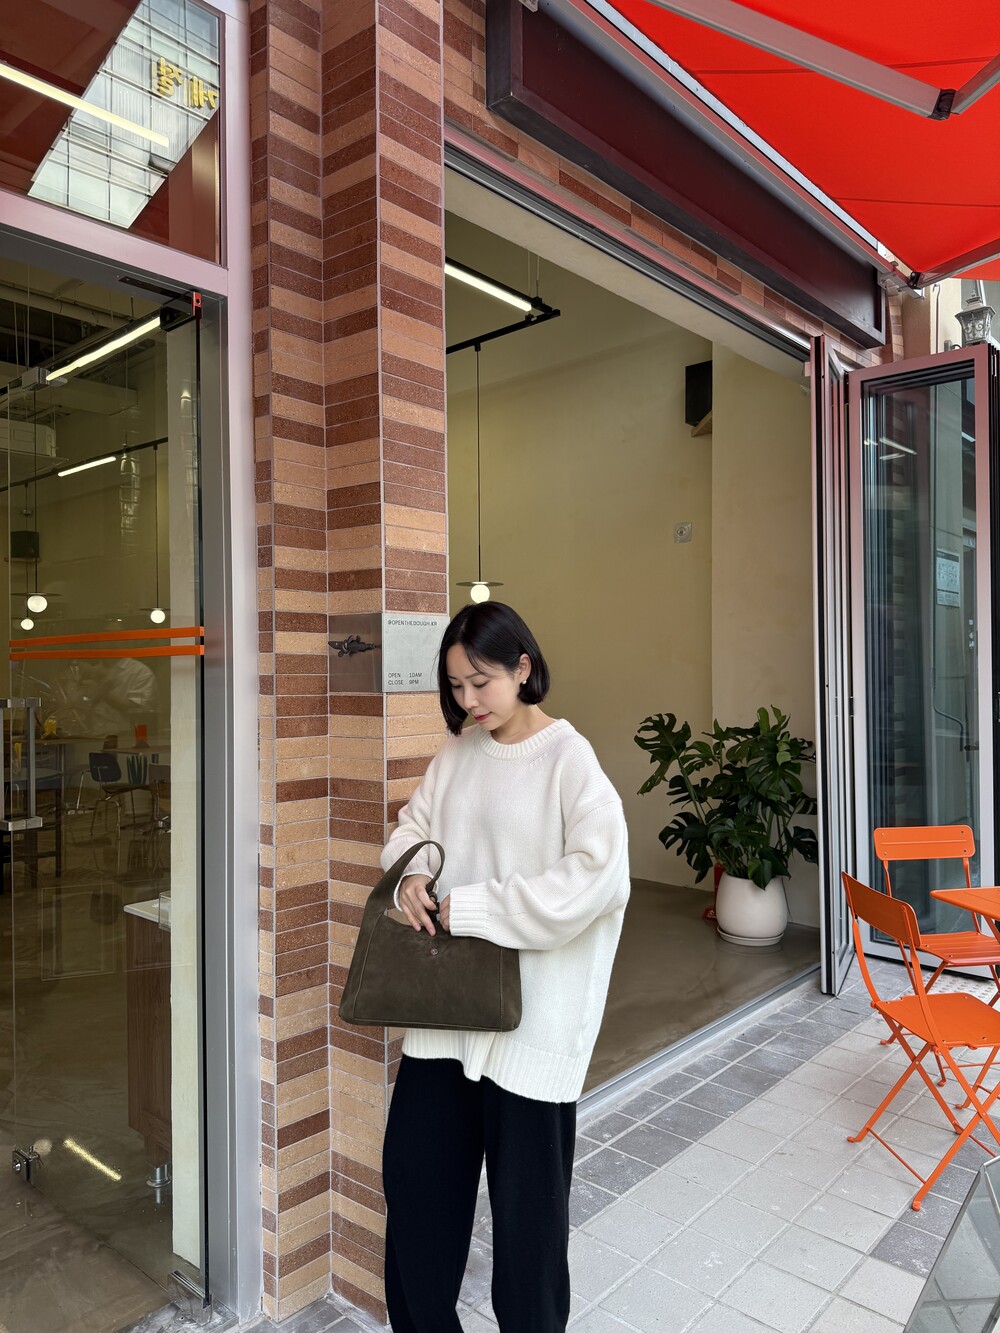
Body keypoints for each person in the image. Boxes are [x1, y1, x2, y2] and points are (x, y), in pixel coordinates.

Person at [378, 601, 630, 1332]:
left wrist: (474, 908)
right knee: (416, 1203)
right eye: (456, 686)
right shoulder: (458, 751)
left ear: (523, 667)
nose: (468, 700)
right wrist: (410, 874)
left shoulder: (568, 759)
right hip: (444, 1021)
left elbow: (597, 878)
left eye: (480, 682)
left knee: (529, 1239)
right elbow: (411, 829)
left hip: (532, 1033)